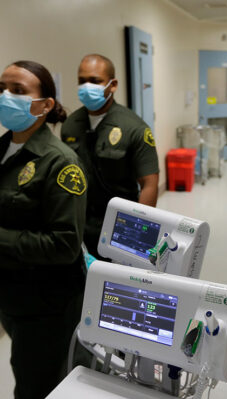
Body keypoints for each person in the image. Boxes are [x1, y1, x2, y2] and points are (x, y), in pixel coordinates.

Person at [0, 60, 87, 399]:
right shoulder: (3, 149)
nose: (6, 96)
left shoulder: (61, 162)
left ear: (46, 104)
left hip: (47, 305)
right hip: (12, 296)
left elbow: (65, 244)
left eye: (18, 91)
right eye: (2, 88)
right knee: (24, 368)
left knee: (37, 387)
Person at [61, 54, 159, 258]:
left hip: (119, 223)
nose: (87, 87)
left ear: (112, 85)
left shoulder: (134, 127)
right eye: (82, 81)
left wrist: (138, 235)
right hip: (79, 223)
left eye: (95, 81)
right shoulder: (71, 124)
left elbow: (149, 183)